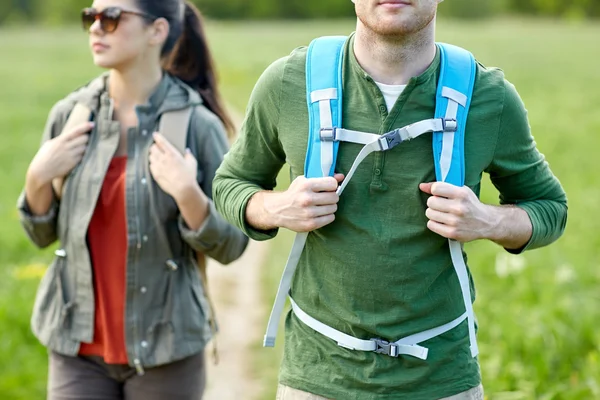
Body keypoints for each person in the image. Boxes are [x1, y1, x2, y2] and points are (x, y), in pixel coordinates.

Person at [212, 0, 568, 399]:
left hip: (441, 379)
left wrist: (488, 221)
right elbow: (230, 184)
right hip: (316, 376)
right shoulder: (288, 82)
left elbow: (550, 208)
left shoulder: (489, 96)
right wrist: (276, 207)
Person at [17, 0, 248, 399]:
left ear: (156, 31)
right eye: (90, 17)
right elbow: (41, 235)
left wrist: (188, 194)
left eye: (111, 18)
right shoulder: (69, 116)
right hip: (76, 347)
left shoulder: (196, 125)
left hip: (167, 350)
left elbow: (232, 245)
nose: (95, 28)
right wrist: (37, 177)